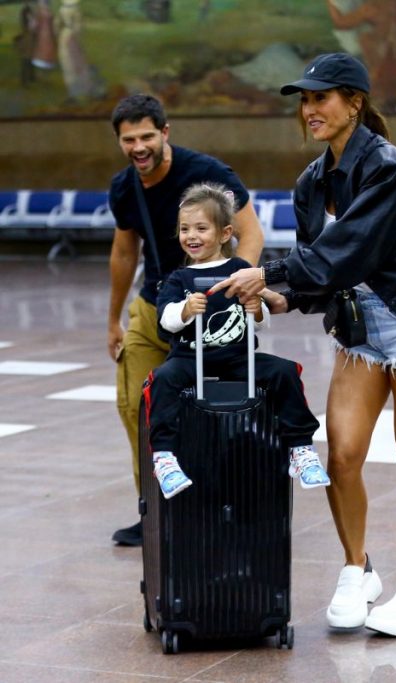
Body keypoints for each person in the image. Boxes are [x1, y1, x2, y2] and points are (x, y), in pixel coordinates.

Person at [209, 52, 396, 638]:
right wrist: (283, 297)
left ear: (354, 103)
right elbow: (323, 273)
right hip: (359, 322)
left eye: (321, 97)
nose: (310, 109)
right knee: (342, 453)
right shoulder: (310, 181)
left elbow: (348, 250)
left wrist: (266, 273)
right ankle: (358, 568)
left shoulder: (388, 167)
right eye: (304, 100)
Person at [106, 93, 264, 546]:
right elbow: (123, 252)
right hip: (154, 308)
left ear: (165, 133)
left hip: (209, 311)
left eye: (147, 136)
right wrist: (113, 319)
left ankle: (222, 503)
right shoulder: (125, 187)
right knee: (137, 407)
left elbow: (250, 233)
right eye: (128, 139)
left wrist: (232, 290)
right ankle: (153, 509)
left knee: (216, 408)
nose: (139, 146)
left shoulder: (207, 174)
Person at [145, 183, 328, 499]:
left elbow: (260, 323)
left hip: (238, 356)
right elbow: (165, 319)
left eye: (202, 228)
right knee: (162, 380)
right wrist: (186, 309)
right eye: (185, 228)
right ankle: (164, 457)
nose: (192, 236)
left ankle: (301, 449)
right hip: (190, 357)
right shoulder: (178, 279)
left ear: (225, 233)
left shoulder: (241, 270)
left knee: (283, 372)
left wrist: (257, 311)